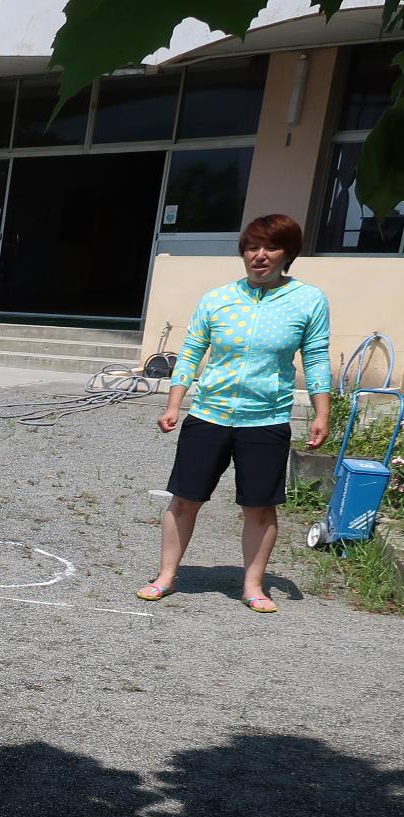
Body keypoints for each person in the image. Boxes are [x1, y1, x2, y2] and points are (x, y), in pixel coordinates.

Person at [139, 213, 332, 613]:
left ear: (287, 254)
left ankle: (253, 585)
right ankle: (166, 576)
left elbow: (315, 358)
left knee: (260, 506)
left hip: (266, 418)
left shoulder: (308, 300)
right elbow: (192, 352)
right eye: (251, 247)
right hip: (209, 414)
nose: (259, 256)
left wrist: (321, 413)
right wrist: (175, 402)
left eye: (270, 247)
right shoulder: (217, 299)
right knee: (185, 499)